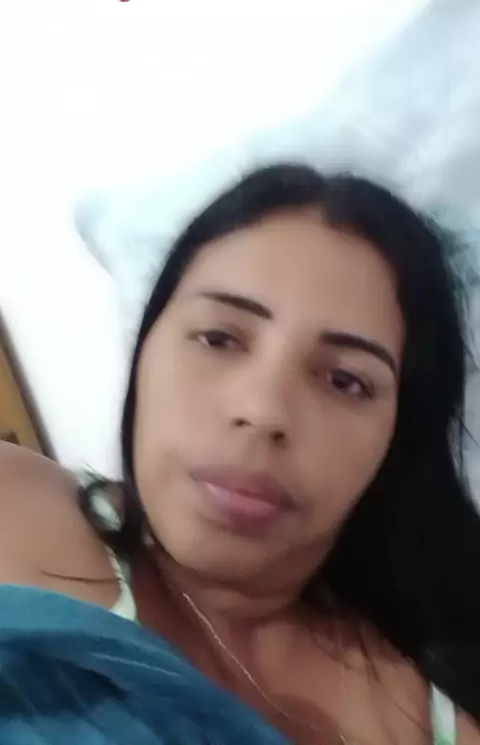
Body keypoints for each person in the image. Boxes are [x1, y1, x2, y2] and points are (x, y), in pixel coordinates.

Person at [1, 163, 480, 744]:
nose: (263, 410)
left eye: (345, 380)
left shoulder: (447, 692)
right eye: (219, 338)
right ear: (147, 346)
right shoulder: (13, 508)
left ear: (398, 435)